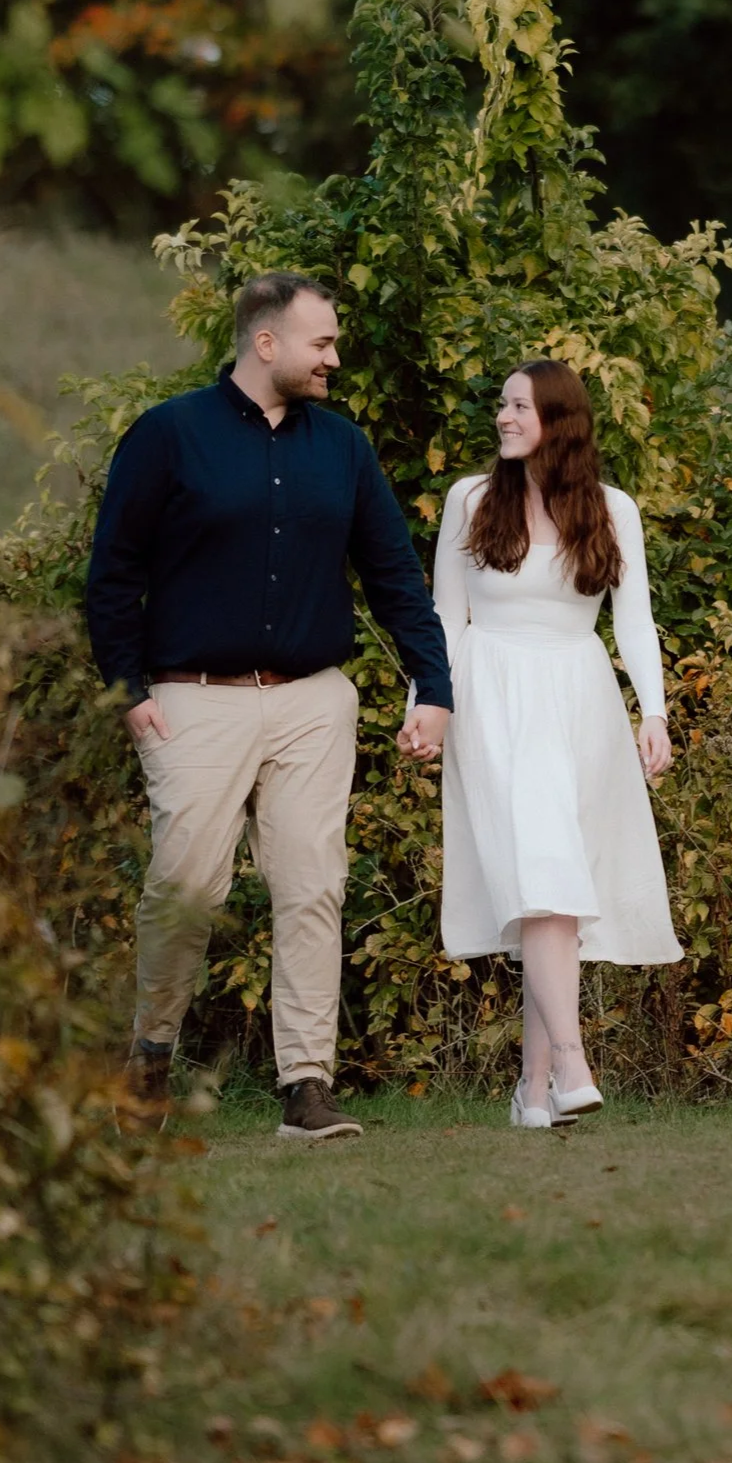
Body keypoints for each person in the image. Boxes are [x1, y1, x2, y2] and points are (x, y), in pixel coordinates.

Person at [86, 271, 453, 1142]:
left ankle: (306, 1088)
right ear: (267, 343)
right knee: (186, 887)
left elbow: (395, 574)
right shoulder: (169, 435)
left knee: (313, 887)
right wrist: (128, 693)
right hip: (191, 702)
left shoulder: (343, 448)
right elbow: (113, 574)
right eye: (321, 343)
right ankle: (149, 1061)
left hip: (311, 704)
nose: (334, 357)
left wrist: (433, 687)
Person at [429, 359, 681, 1132]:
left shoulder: (613, 509)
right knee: (543, 872)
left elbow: (631, 620)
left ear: (558, 420)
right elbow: (444, 616)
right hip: (493, 693)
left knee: (558, 889)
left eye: (518, 407)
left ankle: (534, 1089)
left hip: (579, 697)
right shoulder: (470, 499)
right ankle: (571, 1059)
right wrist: (426, 704)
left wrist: (654, 710)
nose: (503, 417)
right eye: (501, 404)